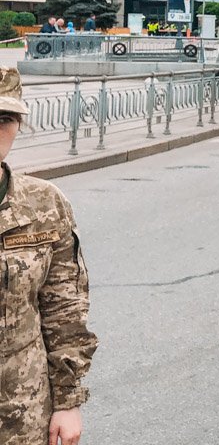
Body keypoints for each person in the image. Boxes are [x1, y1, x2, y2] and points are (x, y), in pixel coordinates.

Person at [0, 66, 98, 444]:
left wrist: (68, 401)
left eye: (4, 118)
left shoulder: (44, 205)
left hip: (22, 409)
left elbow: (64, 311)